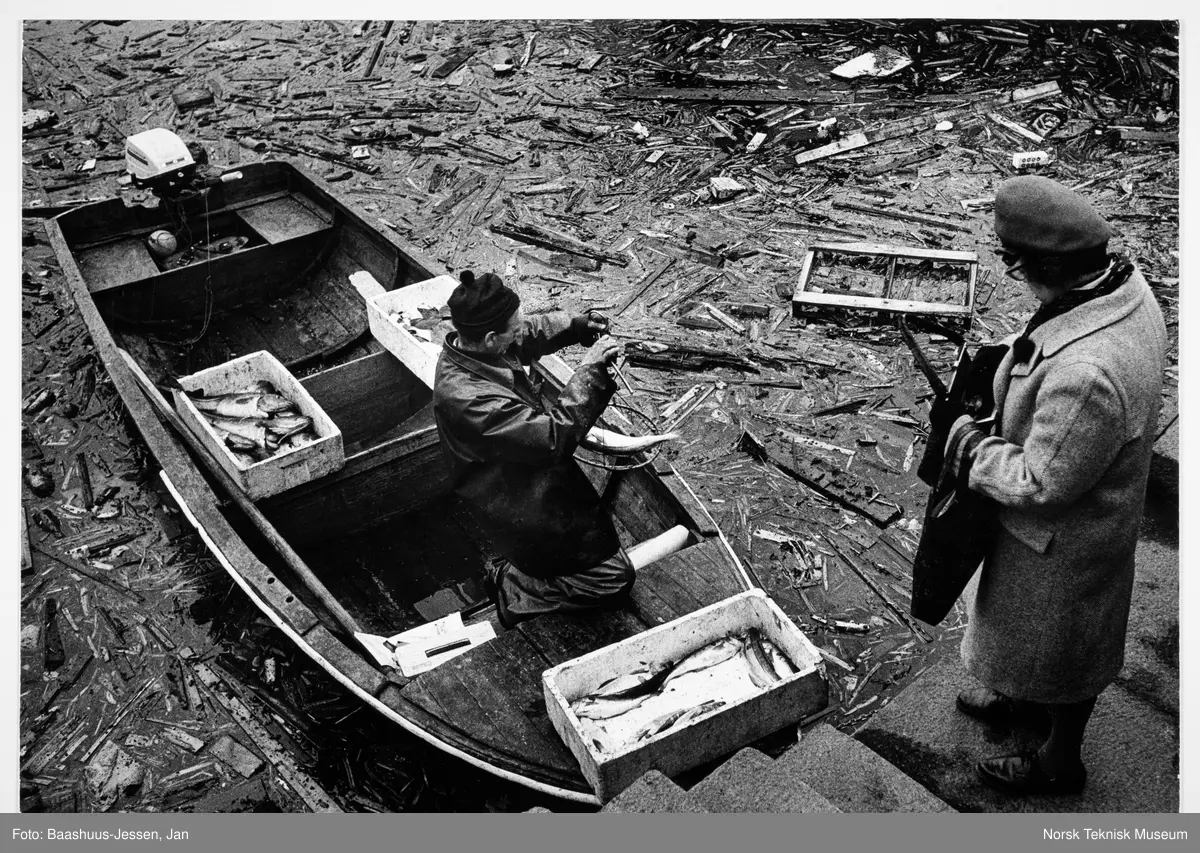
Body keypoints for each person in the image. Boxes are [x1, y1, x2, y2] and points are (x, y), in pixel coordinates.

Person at [936, 175, 1167, 795]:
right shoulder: (1122, 287)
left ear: (1047, 264)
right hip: (1063, 535)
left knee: (1067, 658)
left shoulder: (1088, 376)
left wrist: (967, 444)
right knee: (1028, 642)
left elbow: (1042, 482)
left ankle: (1060, 761)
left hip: (1063, 547)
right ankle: (1021, 696)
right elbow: (1048, 331)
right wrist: (998, 364)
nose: (1016, 276)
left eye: (1017, 265)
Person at [432, 269, 632, 629]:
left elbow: (528, 331)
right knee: (615, 579)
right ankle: (517, 593)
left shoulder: (479, 345)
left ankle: (517, 570)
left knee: (592, 548)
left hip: (522, 467)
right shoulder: (468, 398)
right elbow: (551, 439)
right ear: (492, 338)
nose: (521, 331)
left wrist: (575, 327)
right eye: (513, 329)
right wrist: (591, 373)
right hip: (510, 497)